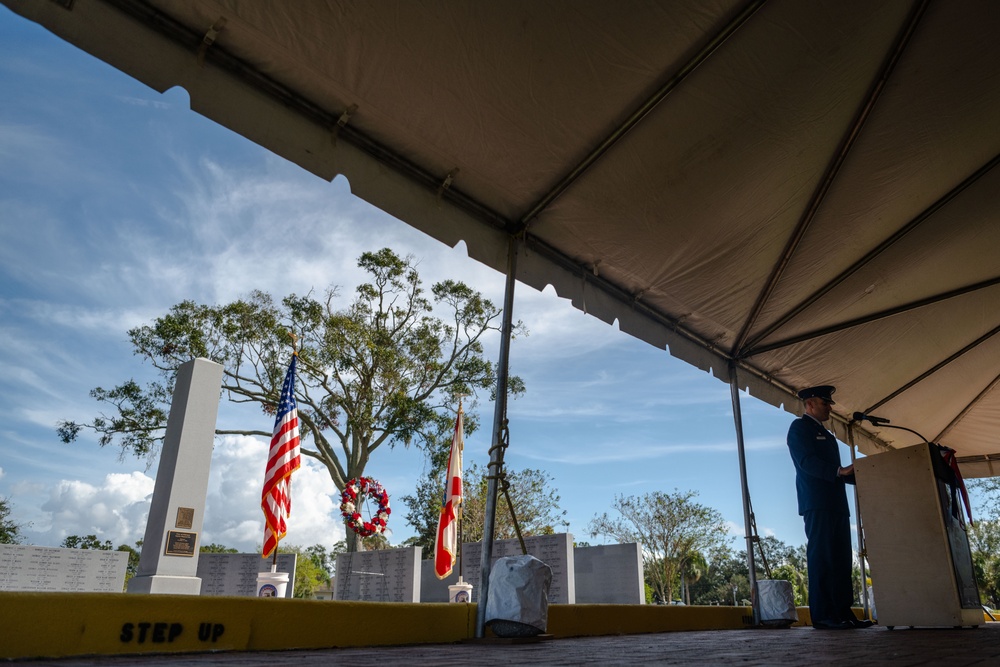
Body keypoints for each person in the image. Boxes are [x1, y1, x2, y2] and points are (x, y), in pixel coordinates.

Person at [787, 385, 872, 630]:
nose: (830, 407)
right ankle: (824, 615)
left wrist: (859, 474)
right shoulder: (799, 428)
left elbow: (838, 473)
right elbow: (806, 462)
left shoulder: (828, 435)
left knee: (841, 560)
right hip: (817, 503)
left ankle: (843, 613)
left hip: (836, 504)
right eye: (825, 403)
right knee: (823, 558)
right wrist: (839, 470)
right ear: (810, 404)